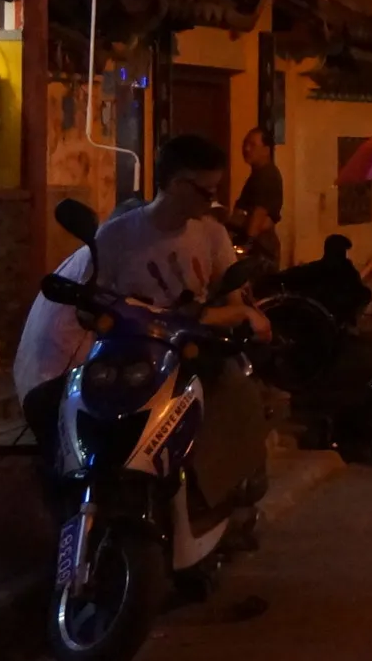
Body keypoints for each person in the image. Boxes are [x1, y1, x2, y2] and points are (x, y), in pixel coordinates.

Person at [14, 136, 274, 476]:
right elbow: (91, 305)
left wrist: (237, 314)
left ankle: (234, 489)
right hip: (128, 361)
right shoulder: (117, 236)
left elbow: (231, 303)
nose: (213, 200)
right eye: (206, 191)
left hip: (187, 355)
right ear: (178, 184)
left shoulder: (212, 235)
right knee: (51, 405)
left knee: (236, 391)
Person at [231, 126, 284, 275]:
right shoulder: (257, 175)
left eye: (252, 145)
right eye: (245, 144)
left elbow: (259, 213)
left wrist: (246, 246)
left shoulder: (266, 176)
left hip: (259, 249)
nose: (246, 149)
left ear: (266, 150)